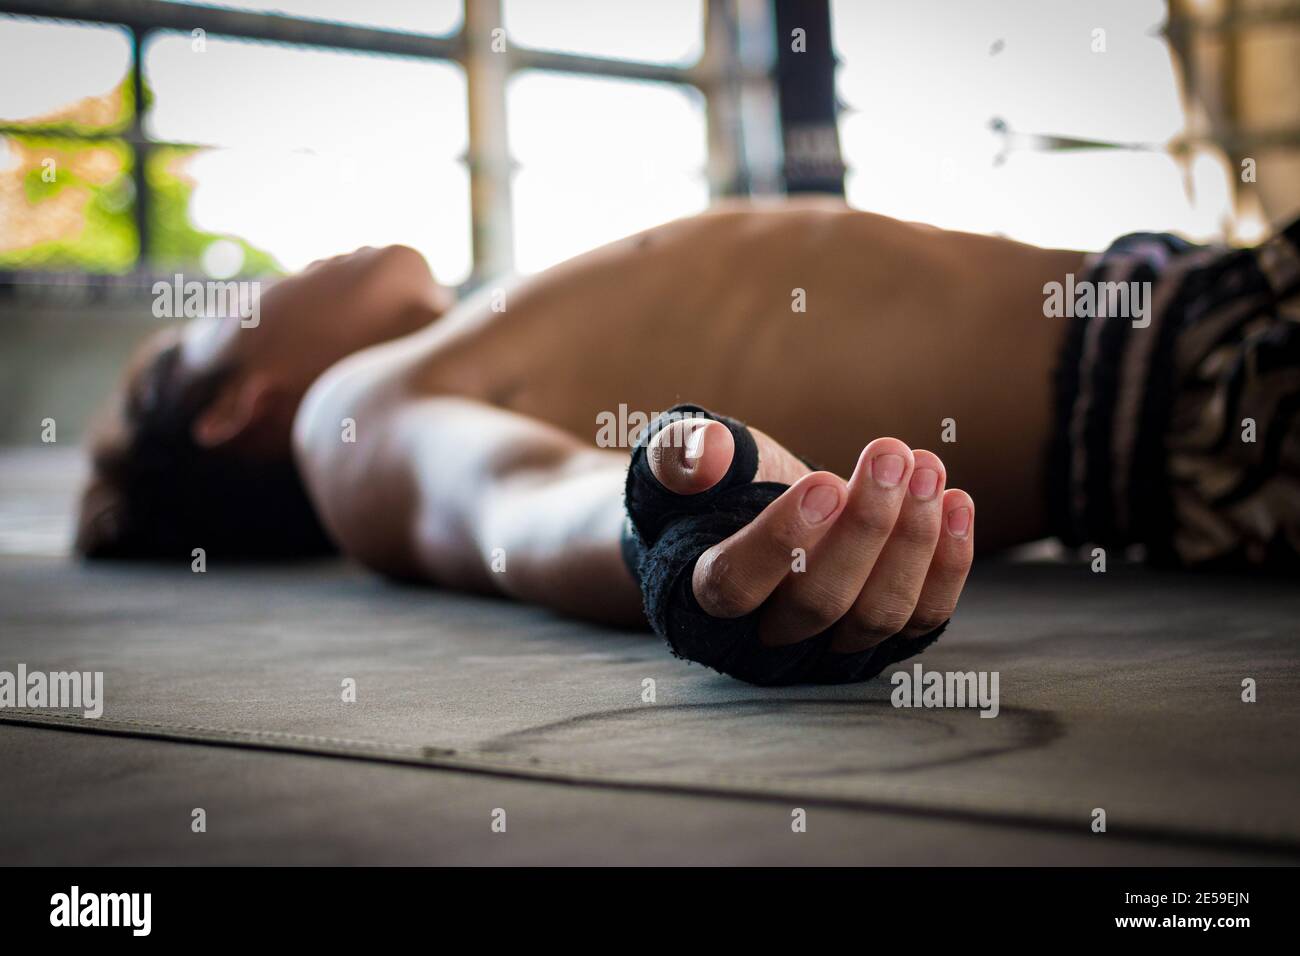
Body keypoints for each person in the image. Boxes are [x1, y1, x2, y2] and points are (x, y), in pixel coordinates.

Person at [77, 199, 1300, 680]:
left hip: (1220, 316)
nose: (292, 262)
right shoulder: (353, 415)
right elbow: (505, 504)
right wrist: (674, 537)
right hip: (1218, 388)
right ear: (241, 403)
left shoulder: (479, 333)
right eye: (232, 309)